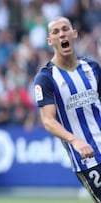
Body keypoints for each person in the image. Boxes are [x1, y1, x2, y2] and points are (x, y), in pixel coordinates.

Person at [34, 16, 101, 202]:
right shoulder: (46, 77)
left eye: (65, 29)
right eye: (55, 32)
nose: (62, 34)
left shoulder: (93, 67)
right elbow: (48, 120)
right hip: (88, 158)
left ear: (74, 34)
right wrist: (75, 141)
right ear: (50, 41)